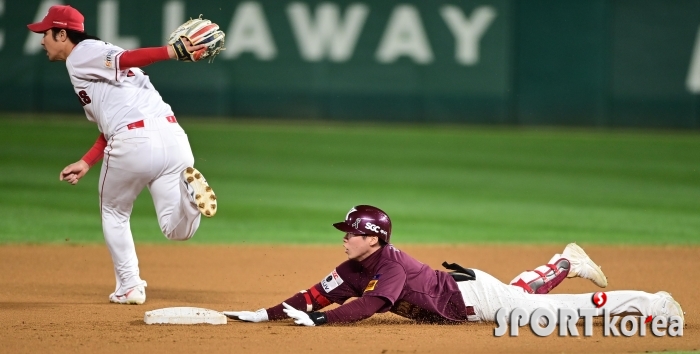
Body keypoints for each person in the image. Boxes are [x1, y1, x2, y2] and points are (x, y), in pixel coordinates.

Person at [27, 5, 218, 305]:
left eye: (46, 33)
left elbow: (127, 58)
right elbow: (112, 122)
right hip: (173, 137)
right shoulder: (98, 60)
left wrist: (171, 51)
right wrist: (87, 160)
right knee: (175, 229)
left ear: (62, 34)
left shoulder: (82, 53)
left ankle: (130, 286)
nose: (41, 40)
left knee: (114, 212)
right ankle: (191, 202)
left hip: (134, 141)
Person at [224, 205, 684, 326]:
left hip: (479, 300)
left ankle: (655, 302)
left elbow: (368, 308)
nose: (344, 237)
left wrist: (321, 321)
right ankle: (564, 261)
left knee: (568, 312)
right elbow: (314, 295)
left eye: (351, 231)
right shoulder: (354, 267)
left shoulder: (390, 265)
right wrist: (266, 313)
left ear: (374, 237)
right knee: (520, 293)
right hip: (471, 288)